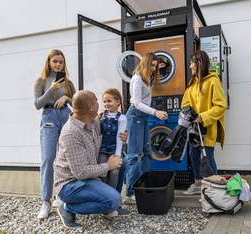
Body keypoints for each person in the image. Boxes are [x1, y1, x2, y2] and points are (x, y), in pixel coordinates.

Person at [53, 90, 131, 229]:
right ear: (90, 107)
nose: (99, 104)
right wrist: (107, 166)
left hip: (89, 175)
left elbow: (109, 138)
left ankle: (110, 207)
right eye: (96, 101)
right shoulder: (71, 133)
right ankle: (68, 208)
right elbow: (80, 173)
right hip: (71, 184)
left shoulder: (94, 122)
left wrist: (121, 137)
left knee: (122, 162)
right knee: (113, 200)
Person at [34, 49, 76, 219]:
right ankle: (46, 201)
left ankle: (61, 196)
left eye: (61, 62)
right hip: (49, 118)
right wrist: (51, 90)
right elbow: (37, 104)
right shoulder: (41, 81)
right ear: (49, 62)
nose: (58, 64)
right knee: (48, 159)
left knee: (66, 159)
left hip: (65, 116)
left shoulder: (68, 82)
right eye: (55, 61)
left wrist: (66, 98)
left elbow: (77, 103)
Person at [181, 50, 227, 196]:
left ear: (199, 64)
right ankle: (198, 184)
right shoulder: (192, 83)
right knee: (193, 154)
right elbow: (185, 103)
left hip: (207, 127)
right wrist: (189, 114)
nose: (190, 67)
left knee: (207, 155)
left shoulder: (213, 81)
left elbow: (221, 105)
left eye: (191, 63)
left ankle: (214, 189)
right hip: (194, 129)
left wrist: (204, 116)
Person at [125, 52, 168, 200]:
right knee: (136, 155)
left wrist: (163, 63)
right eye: (152, 65)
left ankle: (144, 185)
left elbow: (162, 66)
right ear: (145, 63)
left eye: (156, 66)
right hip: (135, 116)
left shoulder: (147, 78)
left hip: (142, 117)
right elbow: (136, 102)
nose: (154, 69)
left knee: (147, 154)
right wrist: (155, 112)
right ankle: (131, 191)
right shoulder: (137, 78)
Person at [96, 88, 127, 216]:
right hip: (103, 149)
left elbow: (120, 138)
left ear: (118, 101)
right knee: (103, 171)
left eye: (109, 101)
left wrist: (118, 155)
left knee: (114, 172)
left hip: (114, 149)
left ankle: (112, 203)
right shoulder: (101, 116)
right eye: (104, 101)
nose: (106, 104)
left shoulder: (122, 118)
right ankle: (105, 200)